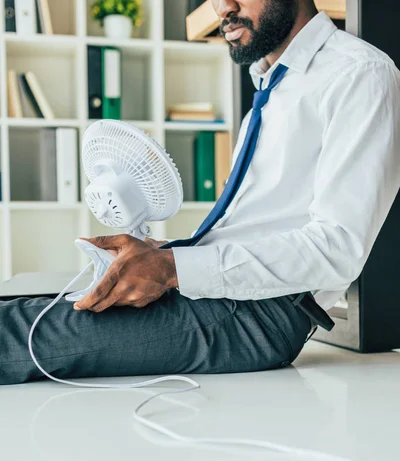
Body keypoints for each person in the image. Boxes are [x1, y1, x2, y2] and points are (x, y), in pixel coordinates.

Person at [1, 0, 400, 385]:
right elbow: (257, 226)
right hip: (226, 296)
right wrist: (165, 257)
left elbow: (338, 249)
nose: (222, 7)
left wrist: (174, 267)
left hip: (260, 316)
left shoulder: (359, 74)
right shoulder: (271, 83)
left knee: (15, 332)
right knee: (23, 306)